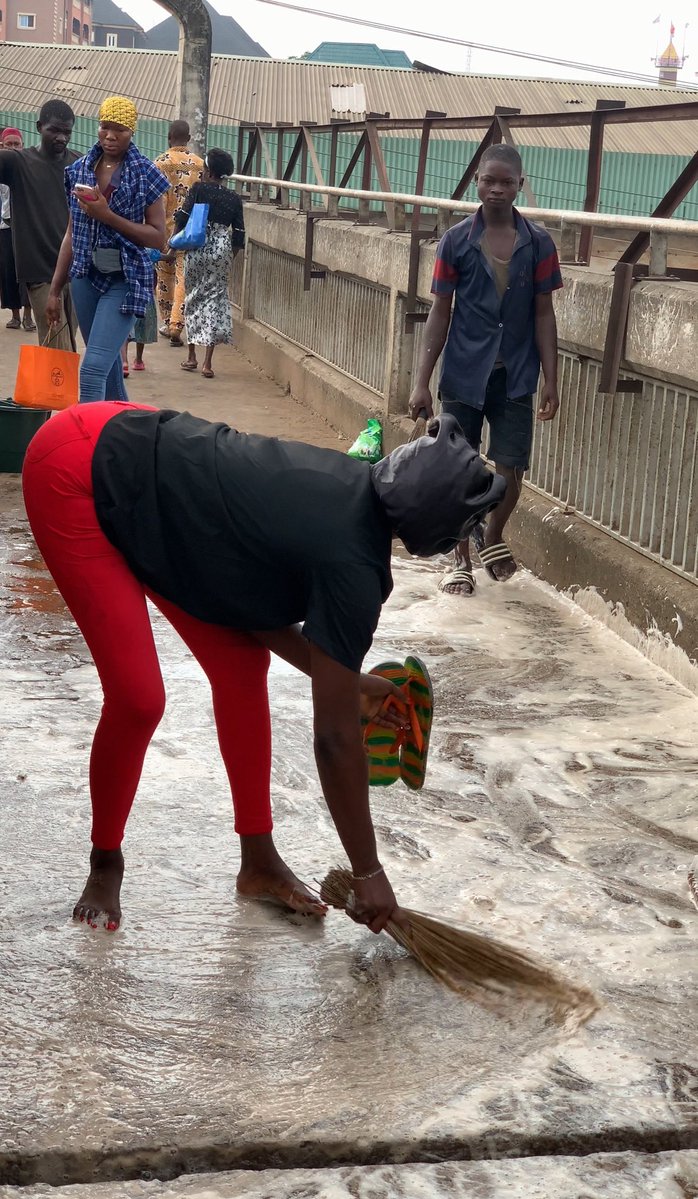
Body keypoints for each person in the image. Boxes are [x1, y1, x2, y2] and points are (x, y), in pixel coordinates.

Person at [22, 402, 504, 933]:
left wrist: (357, 686)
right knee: (139, 699)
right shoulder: (351, 561)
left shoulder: (346, 491)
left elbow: (252, 611)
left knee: (240, 667)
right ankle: (105, 864)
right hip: (77, 471)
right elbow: (335, 739)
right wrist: (368, 872)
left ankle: (258, 861)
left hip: (152, 468)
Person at [408, 144, 562, 597]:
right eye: (488, 180)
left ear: (519, 185)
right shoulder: (456, 240)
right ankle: (460, 559)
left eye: (506, 182)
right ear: (477, 182)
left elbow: (544, 313)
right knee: (459, 467)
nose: (496, 189)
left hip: (516, 374)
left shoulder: (539, 243)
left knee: (511, 466)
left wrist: (551, 378)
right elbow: (440, 310)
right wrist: (421, 382)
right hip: (464, 372)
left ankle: (492, 535)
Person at [46, 96, 169, 403]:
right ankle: (123, 425)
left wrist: (107, 216)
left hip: (126, 279)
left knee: (92, 370)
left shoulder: (147, 175)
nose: (110, 136)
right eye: (105, 127)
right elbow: (71, 233)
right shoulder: (79, 171)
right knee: (107, 367)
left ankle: (89, 433)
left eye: (120, 130)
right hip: (85, 277)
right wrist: (55, 289)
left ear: (132, 132)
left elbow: (158, 237)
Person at [0, 101, 78, 350]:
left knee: (69, 345)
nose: (61, 137)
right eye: (54, 130)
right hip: (41, 273)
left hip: (76, 271)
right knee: (56, 348)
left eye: (66, 132)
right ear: (39, 127)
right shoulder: (18, 163)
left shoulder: (78, 163)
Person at [175, 148, 244, 379]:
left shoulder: (199, 189)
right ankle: (207, 363)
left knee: (192, 297)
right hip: (221, 250)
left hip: (197, 246)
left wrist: (173, 243)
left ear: (209, 171)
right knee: (213, 301)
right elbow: (239, 235)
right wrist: (228, 258)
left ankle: (191, 356)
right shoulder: (234, 198)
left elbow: (183, 217)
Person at [153, 119, 203, 347]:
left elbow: (158, 202)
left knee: (165, 279)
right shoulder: (200, 165)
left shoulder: (160, 163)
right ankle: (178, 323)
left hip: (166, 232)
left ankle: (168, 322)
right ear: (189, 139)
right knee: (183, 278)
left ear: (169, 137)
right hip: (192, 233)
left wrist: (157, 234)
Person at [0, 128, 35, 332]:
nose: (13, 148)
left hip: (27, 227)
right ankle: (14, 316)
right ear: (2, 146)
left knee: (28, 271)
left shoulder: (29, 168)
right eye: (9, 144)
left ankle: (28, 316)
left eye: (17, 144)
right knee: (8, 271)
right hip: (5, 227)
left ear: (23, 146)